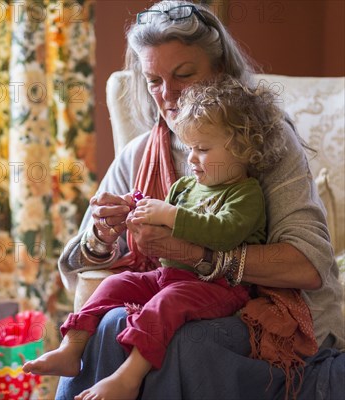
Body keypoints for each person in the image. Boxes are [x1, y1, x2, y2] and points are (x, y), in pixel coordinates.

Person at [53, 1, 345, 399]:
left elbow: (309, 265)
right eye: (153, 80)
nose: (167, 95)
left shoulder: (261, 144)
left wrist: (198, 253)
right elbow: (81, 265)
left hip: (270, 319)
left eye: (184, 75)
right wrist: (103, 235)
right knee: (112, 323)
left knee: (185, 342)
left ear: (220, 72)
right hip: (174, 299)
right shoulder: (141, 154)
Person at [24, 76, 285, 399]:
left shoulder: (246, 194)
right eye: (189, 148)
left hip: (218, 287)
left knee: (166, 304)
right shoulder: (185, 187)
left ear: (243, 149)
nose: (191, 159)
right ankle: (71, 348)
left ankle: (129, 376)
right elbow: (163, 226)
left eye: (202, 149)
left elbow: (224, 232)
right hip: (169, 275)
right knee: (114, 285)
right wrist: (135, 211)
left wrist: (168, 215)